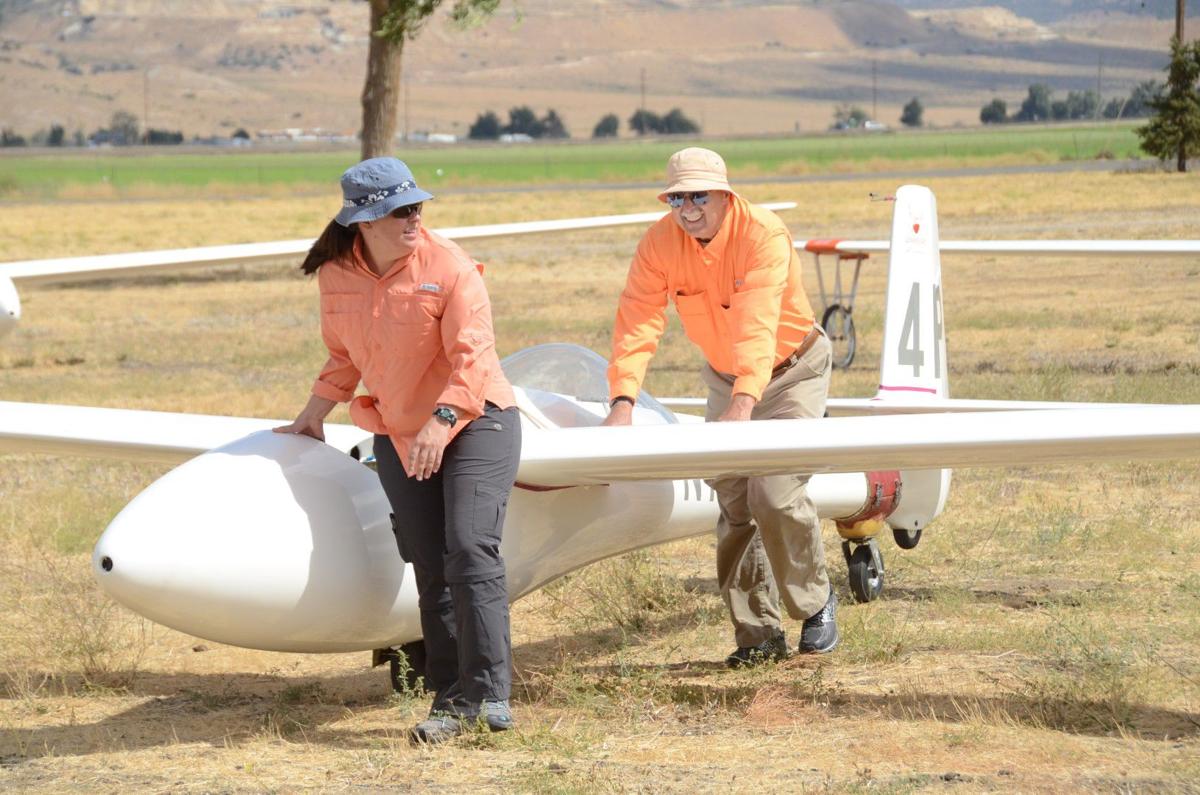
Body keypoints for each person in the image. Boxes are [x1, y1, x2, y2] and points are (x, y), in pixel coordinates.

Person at [275, 157, 521, 744]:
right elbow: (345, 357)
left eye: (417, 206)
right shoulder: (337, 273)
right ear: (363, 220)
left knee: (469, 547)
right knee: (429, 564)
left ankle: (489, 696)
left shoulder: (450, 265)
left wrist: (441, 422)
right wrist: (312, 415)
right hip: (398, 430)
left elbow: (474, 357)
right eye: (399, 210)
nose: (415, 217)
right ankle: (451, 698)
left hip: (478, 419)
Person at [602, 147, 837, 666]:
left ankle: (815, 603)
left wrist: (745, 404)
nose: (687, 208)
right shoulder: (660, 242)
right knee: (733, 501)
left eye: (699, 196)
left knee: (772, 491)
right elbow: (639, 318)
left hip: (791, 369)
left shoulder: (763, 234)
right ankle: (758, 635)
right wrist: (622, 400)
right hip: (727, 375)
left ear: (725, 196)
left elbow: (757, 321)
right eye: (677, 198)